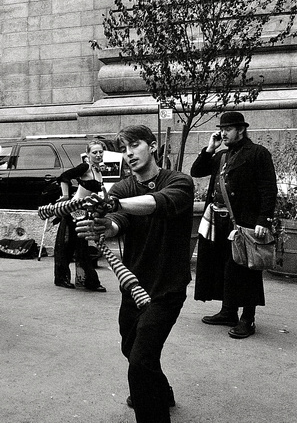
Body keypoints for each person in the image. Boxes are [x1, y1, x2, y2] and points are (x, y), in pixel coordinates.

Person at [76, 125, 194, 423]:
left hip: (167, 288)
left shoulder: (179, 181)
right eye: (124, 148)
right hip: (134, 286)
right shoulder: (122, 188)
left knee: (140, 362)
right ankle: (161, 390)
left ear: (152, 146)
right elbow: (119, 221)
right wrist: (106, 225)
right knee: (130, 347)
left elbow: (160, 204)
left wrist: (114, 205)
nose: (129, 153)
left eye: (135, 145)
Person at [191, 111, 277, 339]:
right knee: (223, 266)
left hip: (244, 223)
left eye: (227, 129)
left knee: (246, 269)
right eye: (221, 129)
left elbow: (269, 189)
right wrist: (210, 148)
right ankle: (228, 311)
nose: (223, 133)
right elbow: (196, 171)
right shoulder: (221, 156)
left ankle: (248, 318)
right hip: (218, 222)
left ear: (241, 130)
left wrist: (263, 221)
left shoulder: (258, 153)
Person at [53, 139, 107, 292]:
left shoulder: (98, 170)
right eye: (94, 152)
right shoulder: (85, 167)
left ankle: (79, 279)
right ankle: (86, 281)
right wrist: (64, 196)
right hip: (75, 210)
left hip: (84, 211)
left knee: (77, 245)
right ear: (88, 154)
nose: (98, 155)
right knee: (76, 245)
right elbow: (64, 176)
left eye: (100, 152)